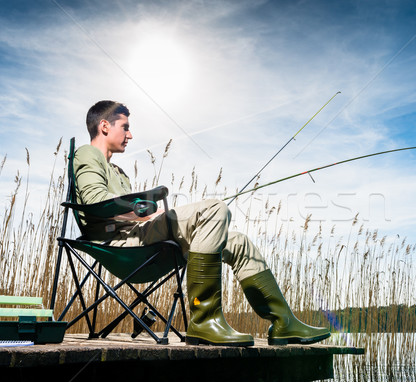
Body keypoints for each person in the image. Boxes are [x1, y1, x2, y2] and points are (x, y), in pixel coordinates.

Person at [73, 100, 330, 346]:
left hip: (145, 236)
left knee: (239, 242)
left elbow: (124, 209)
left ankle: (283, 322)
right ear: (105, 126)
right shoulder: (87, 153)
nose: (130, 135)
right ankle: (204, 320)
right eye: (125, 127)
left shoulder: (119, 173)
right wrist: (142, 207)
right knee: (214, 209)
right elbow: (96, 202)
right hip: (121, 245)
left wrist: (145, 211)